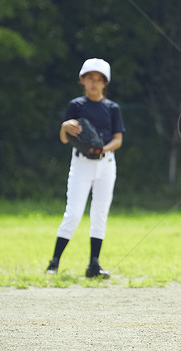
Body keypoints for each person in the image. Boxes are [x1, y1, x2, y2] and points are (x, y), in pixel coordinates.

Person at [46, 58, 125, 279]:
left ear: (104, 83)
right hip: (81, 164)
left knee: (100, 214)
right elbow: (64, 139)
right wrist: (64, 126)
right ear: (82, 80)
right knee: (73, 214)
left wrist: (103, 149)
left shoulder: (112, 108)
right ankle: (54, 263)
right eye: (90, 78)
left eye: (99, 79)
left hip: (106, 165)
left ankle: (93, 266)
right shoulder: (76, 105)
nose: (94, 83)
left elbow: (118, 139)